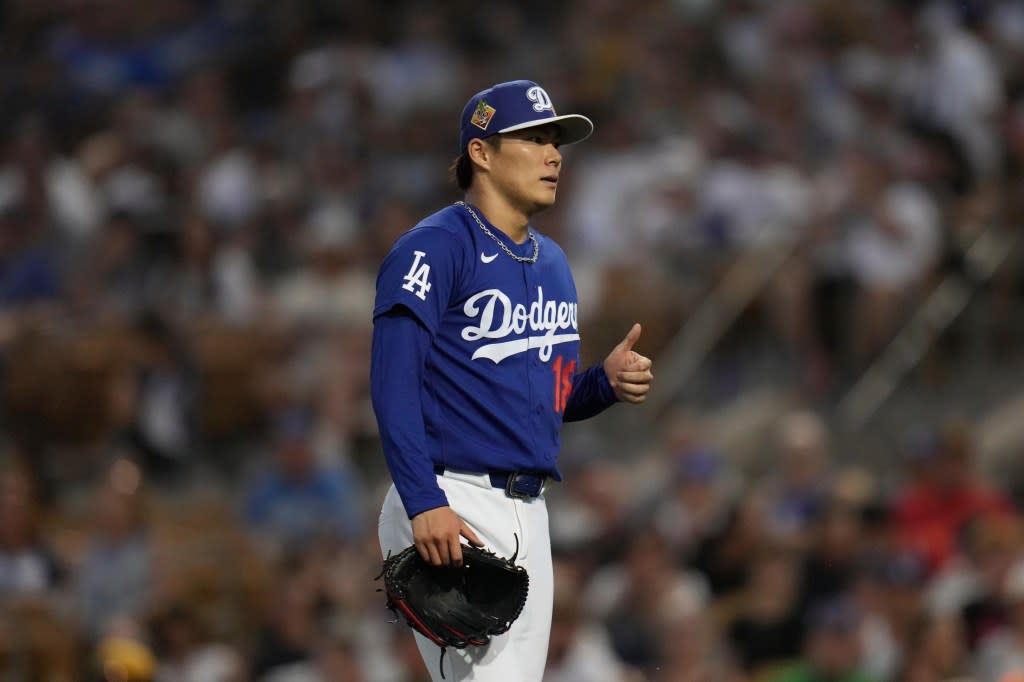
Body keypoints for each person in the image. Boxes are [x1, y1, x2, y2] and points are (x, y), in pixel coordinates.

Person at [371, 79, 654, 681]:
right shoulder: (433, 248)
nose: (554, 154)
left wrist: (601, 382)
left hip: (531, 507)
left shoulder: (551, 262)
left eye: (557, 141)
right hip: (454, 498)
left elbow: (542, 401)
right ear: (482, 152)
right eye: (534, 138)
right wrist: (424, 501)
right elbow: (392, 384)